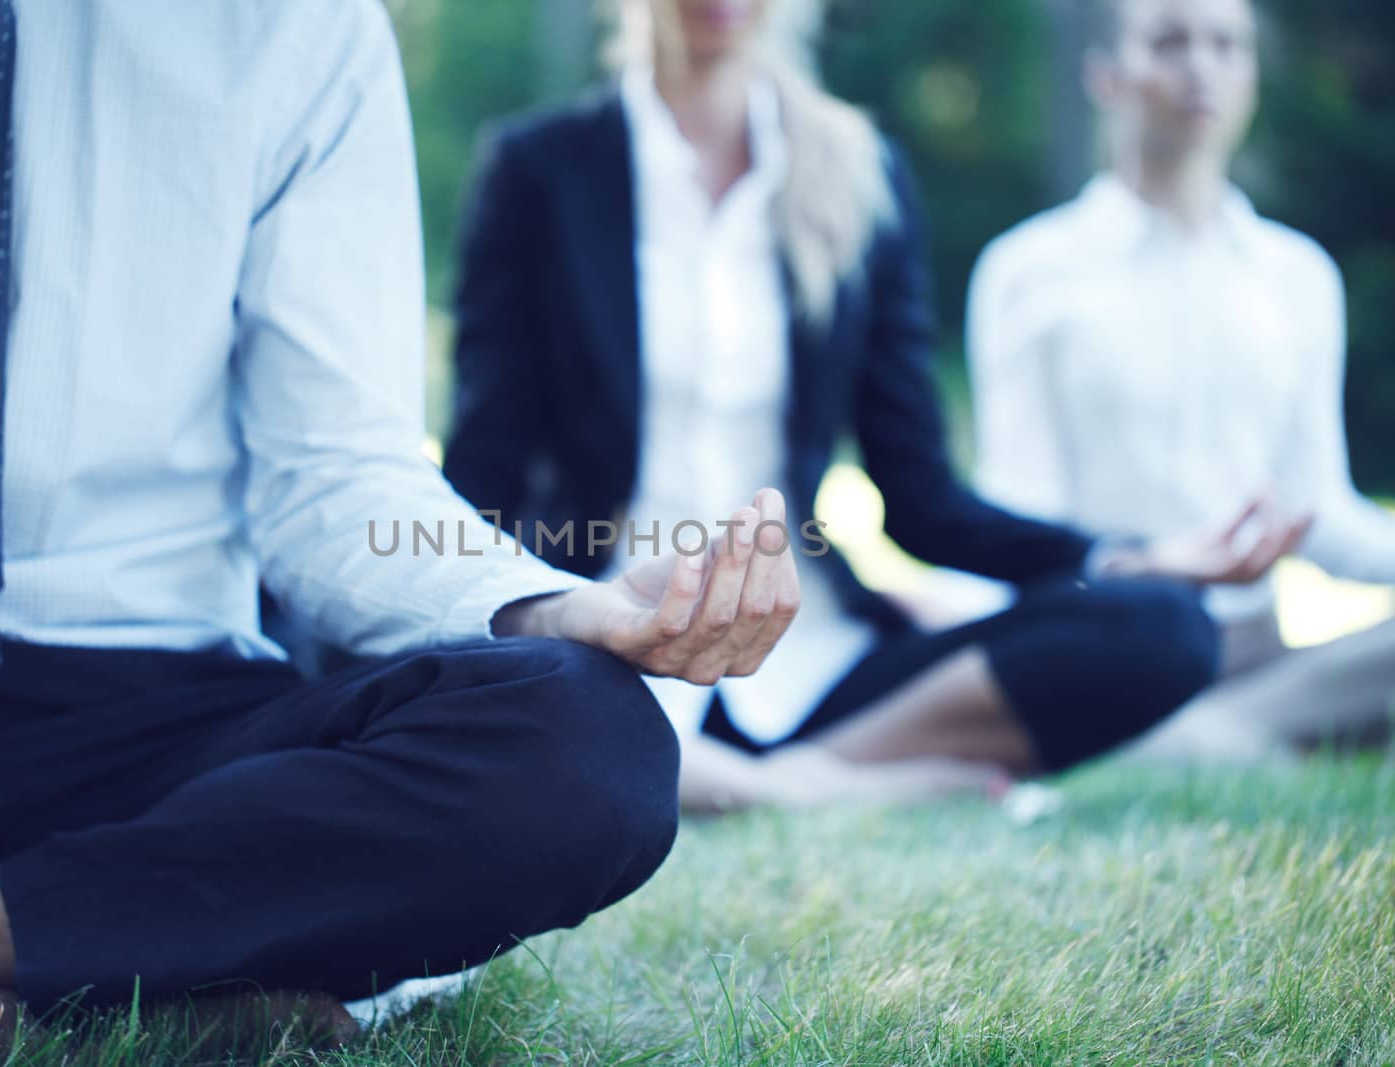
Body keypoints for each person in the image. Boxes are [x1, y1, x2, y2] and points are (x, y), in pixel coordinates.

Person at [0, 0, 807, 1059]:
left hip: (149, 733)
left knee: (585, 744)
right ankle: (92, 993)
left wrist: (562, 603)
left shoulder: (295, 25)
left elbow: (337, 473)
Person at [442, 0, 1307, 815]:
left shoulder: (860, 172)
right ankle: (804, 792)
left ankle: (778, 773)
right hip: (603, 648)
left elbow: (923, 500)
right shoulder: (538, 171)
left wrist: (1135, 555)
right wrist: (518, 619)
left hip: (816, 665)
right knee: (481, 692)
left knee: (1163, 628)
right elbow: (486, 474)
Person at [969, 0, 1395, 761]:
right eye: (1169, 42)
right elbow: (1020, 516)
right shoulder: (1028, 272)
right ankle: (1214, 740)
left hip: (1266, 659)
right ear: (1106, 74)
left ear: (1253, 76)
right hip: (1115, 651)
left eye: (1227, 45)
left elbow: (1318, 511)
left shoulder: (1298, 277)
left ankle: (1214, 739)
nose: (1202, 68)